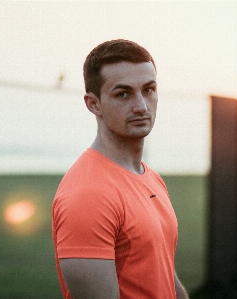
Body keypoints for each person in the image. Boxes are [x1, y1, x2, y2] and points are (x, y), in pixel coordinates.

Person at [52, 39, 189, 299]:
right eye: (123, 94)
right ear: (93, 104)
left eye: (148, 90)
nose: (141, 106)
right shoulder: (88, 194)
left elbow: (164, 276)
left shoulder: (150, 177)